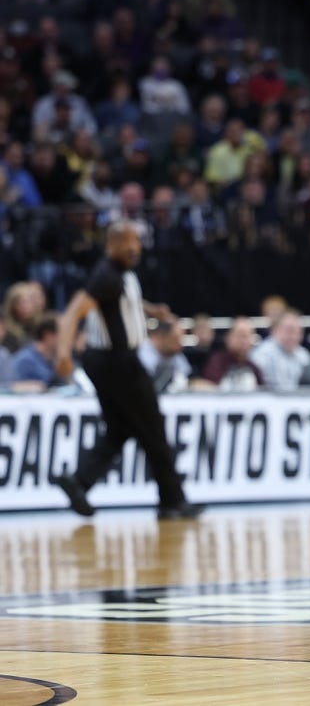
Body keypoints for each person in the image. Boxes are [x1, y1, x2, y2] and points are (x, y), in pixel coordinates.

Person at [51, 220, 204, 520]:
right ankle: (172, 501)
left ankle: (79, 481)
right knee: (154, 428)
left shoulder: (122, 274)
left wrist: (150, 310)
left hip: (110, 362)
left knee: (120, 429)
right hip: (117, 361)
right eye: (126, 241)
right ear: (110, 245)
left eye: (136, 241)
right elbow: (71, 314)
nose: (133, 247)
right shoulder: (105, 275)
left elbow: (124, 300)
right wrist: (63, 353)